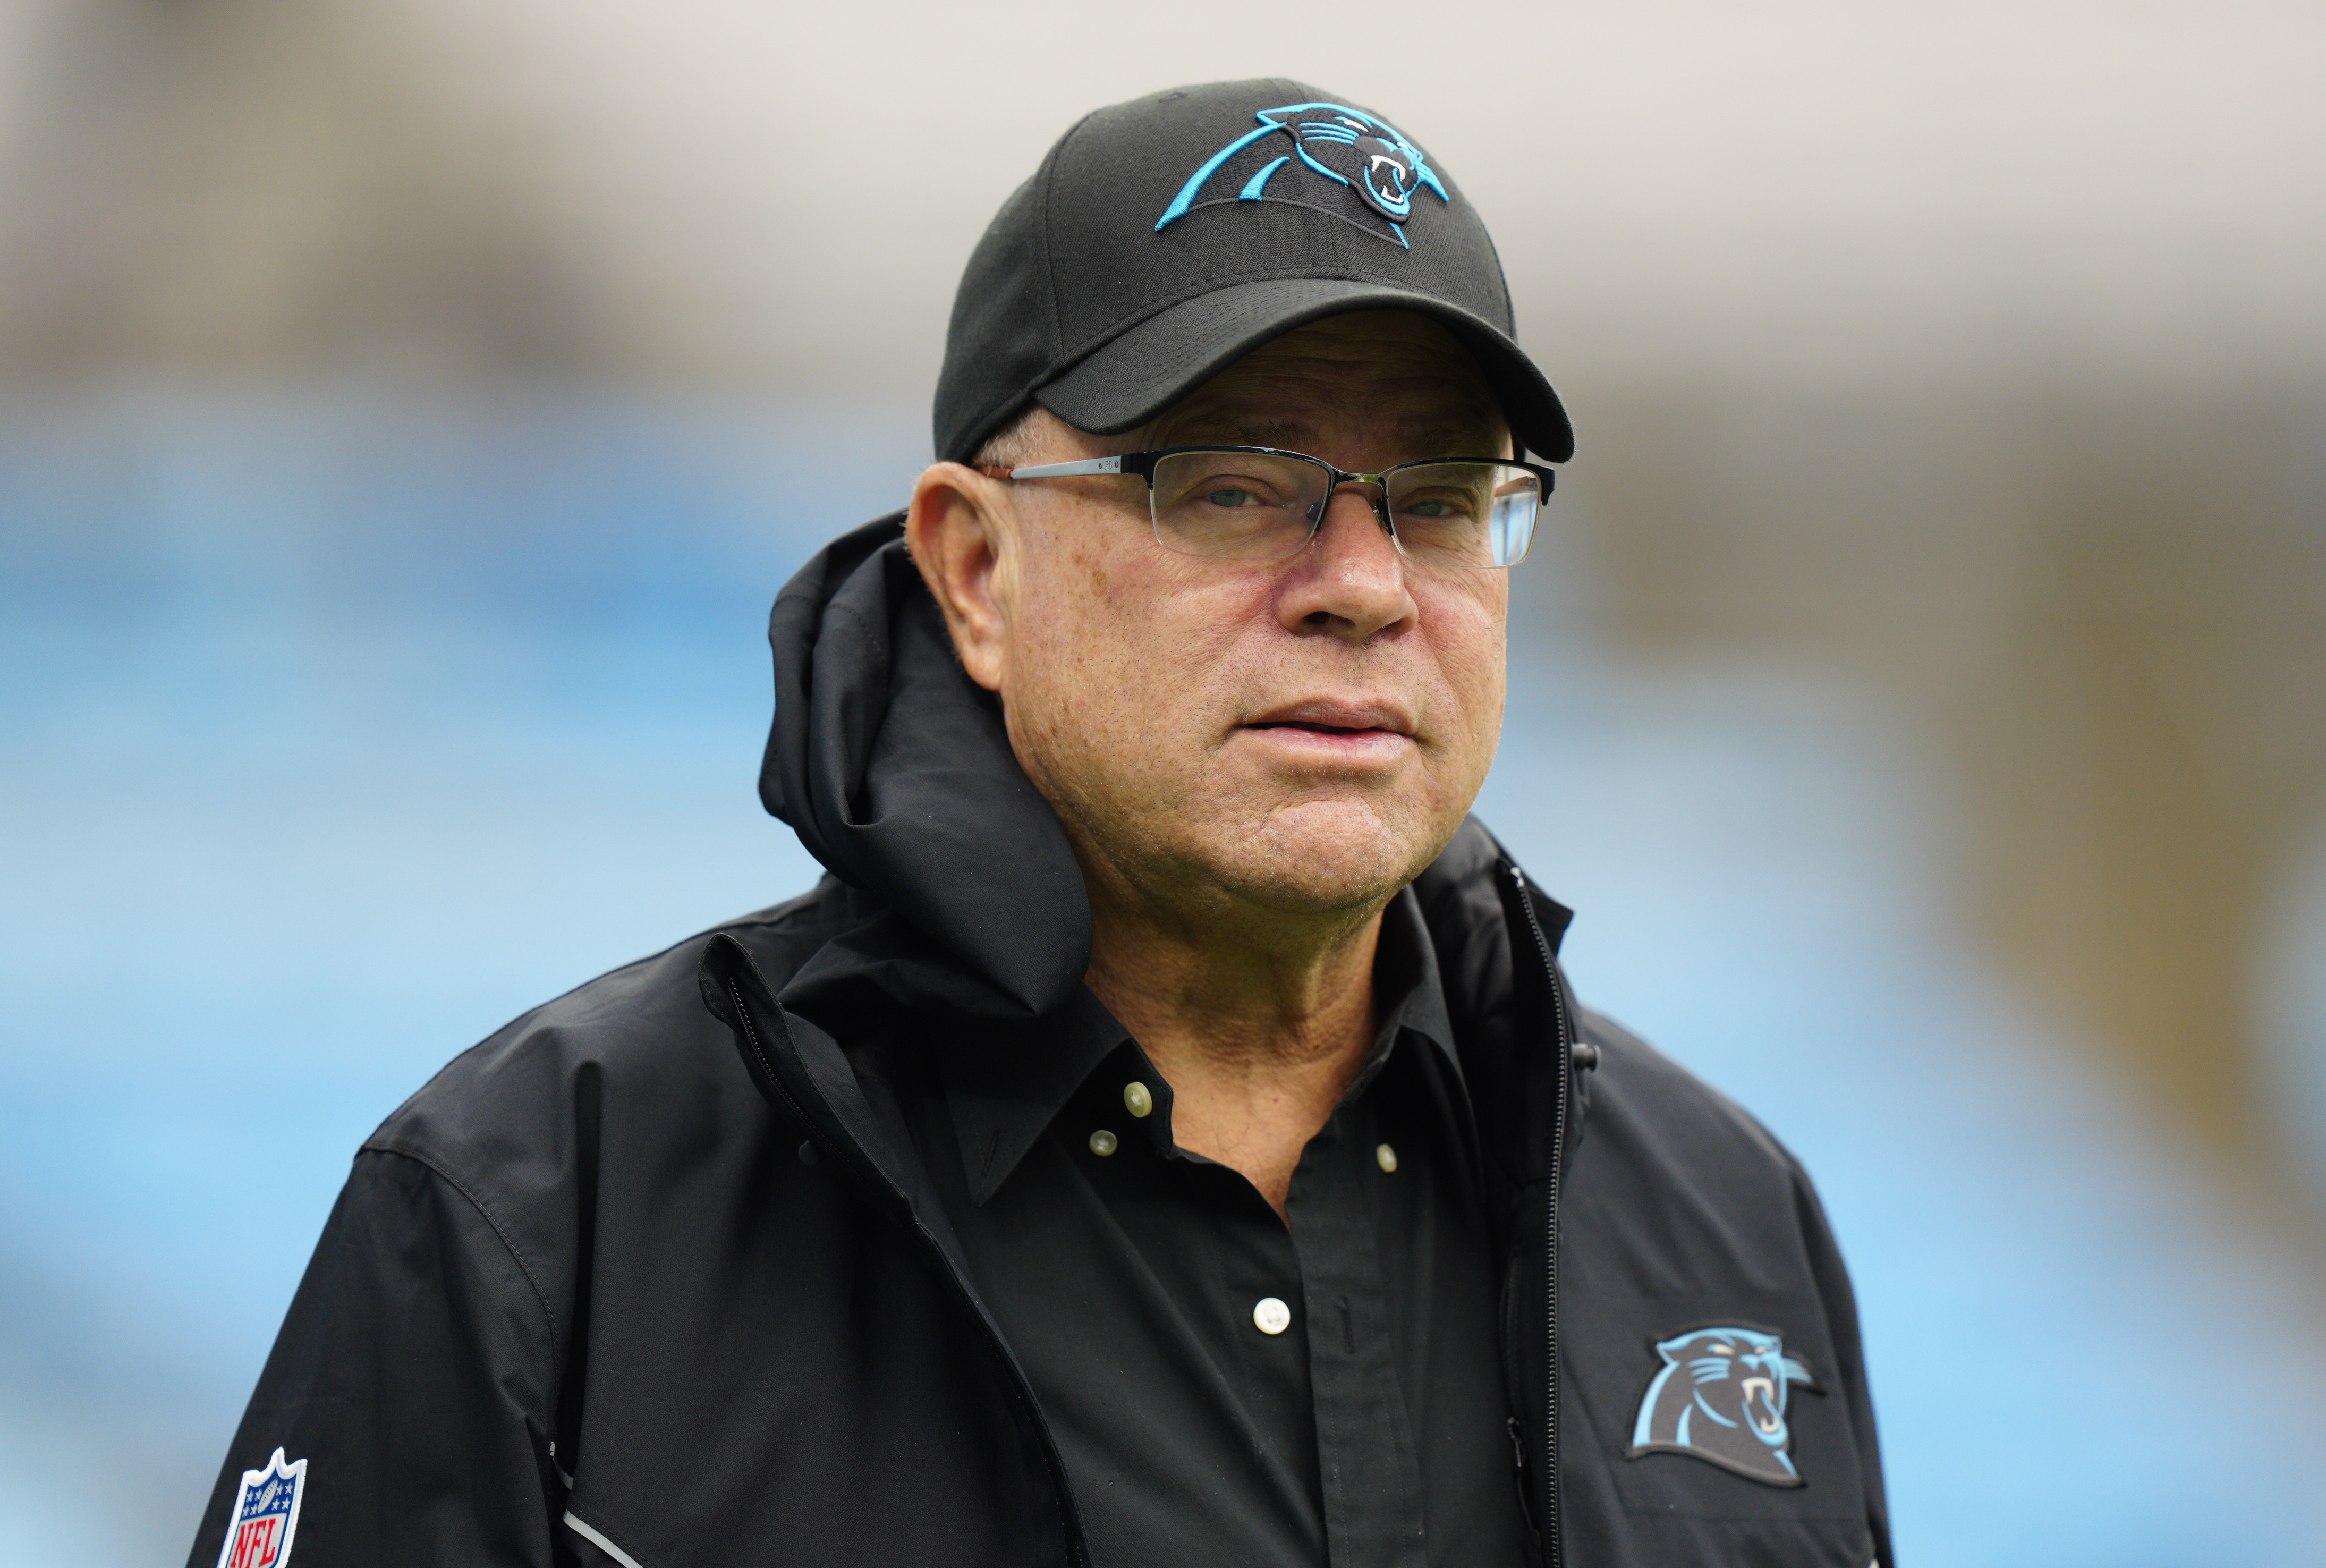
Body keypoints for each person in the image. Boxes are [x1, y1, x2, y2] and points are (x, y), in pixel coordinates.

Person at [191, 79, 1891, 1568]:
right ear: (975, 570)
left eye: (1440, 500)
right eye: (1228, 484)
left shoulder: (1720, 1222)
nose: (1366, 585)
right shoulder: (539, 1218)